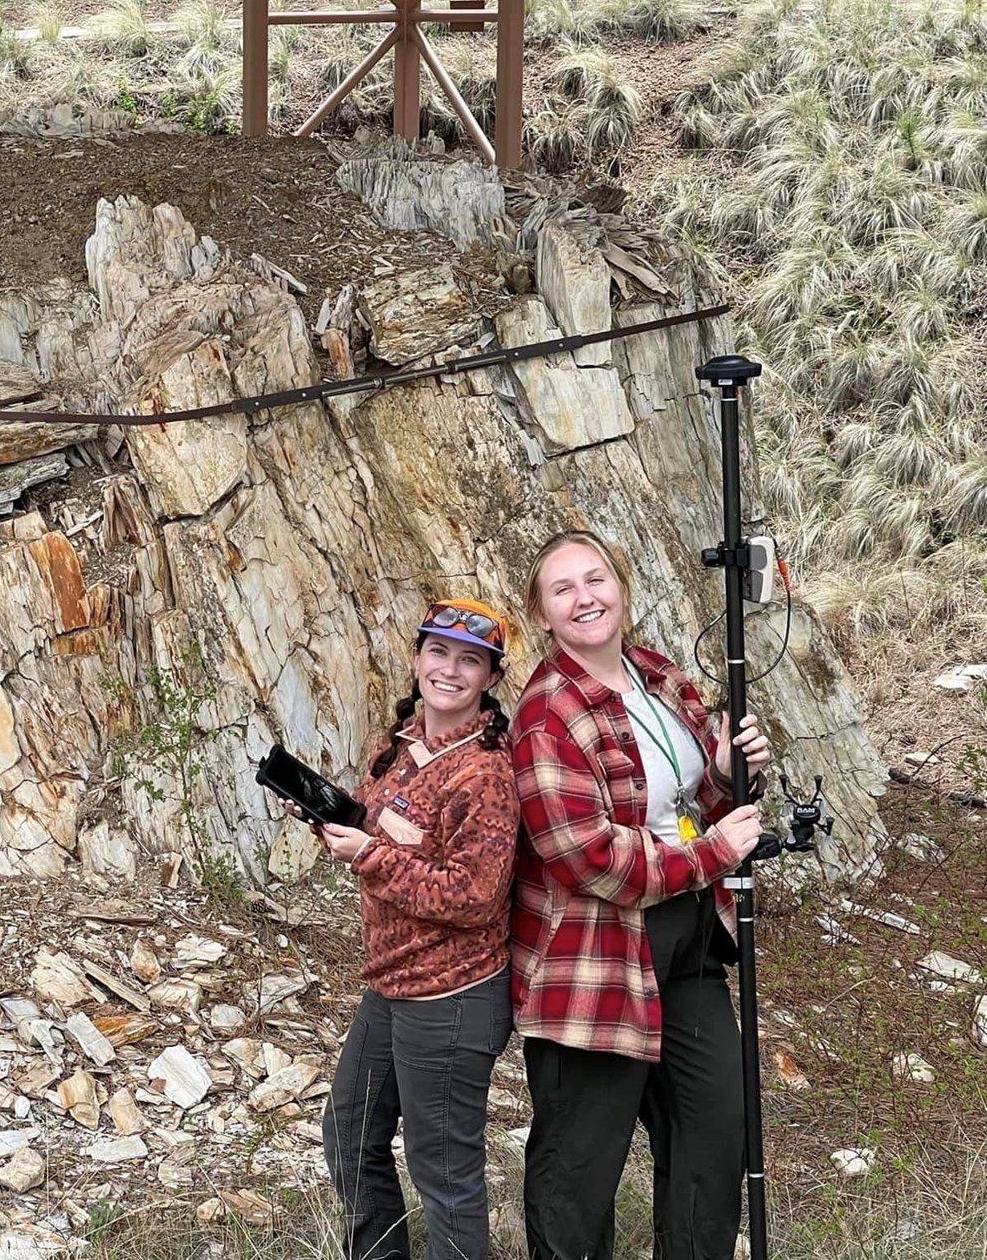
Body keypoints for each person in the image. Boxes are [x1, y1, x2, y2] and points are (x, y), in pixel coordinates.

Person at [509, 531, 772, 1260]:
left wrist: (728, 769)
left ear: (621, 585)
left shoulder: (657, 675)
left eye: (595, 578)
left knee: (713, 1130)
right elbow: (587, 855)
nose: (584, 596)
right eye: (563, 589)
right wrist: (713, 851)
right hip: (593, 963)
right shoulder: (545, 715)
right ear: (543, 612)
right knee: (579, 1164)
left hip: (687, 940)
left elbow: (691, 801)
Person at [293, 598, 520, 1260]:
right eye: (438, 651)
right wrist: (339, 820)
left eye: (469, 659)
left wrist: (365, 854)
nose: (449, 669)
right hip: (391, 986)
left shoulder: (486, 774)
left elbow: (474, 895)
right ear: (418, 657)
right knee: (350, 1137)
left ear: (491, 678)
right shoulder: (397, 746)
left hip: (454, 996)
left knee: (444, 1173)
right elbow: (393, 838)